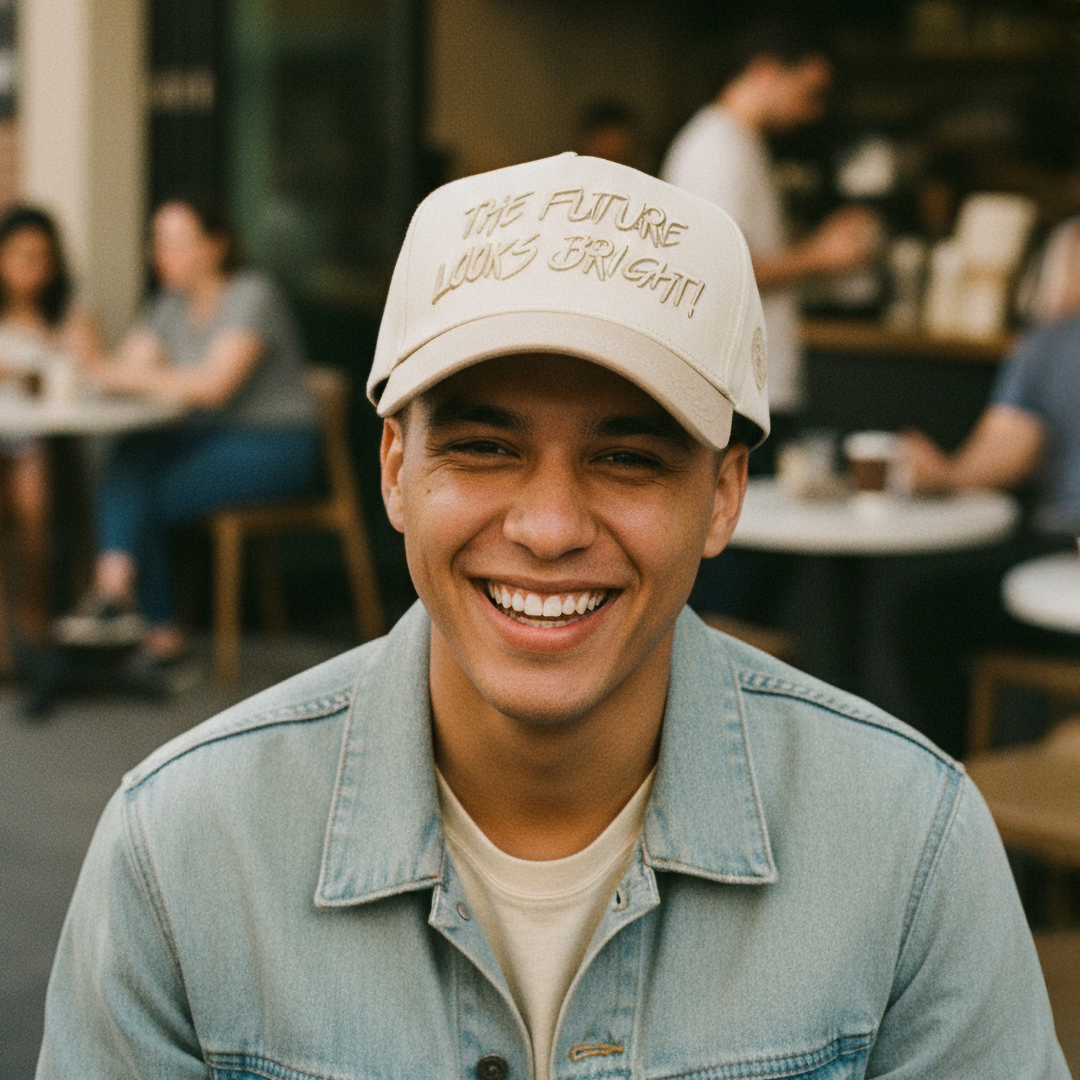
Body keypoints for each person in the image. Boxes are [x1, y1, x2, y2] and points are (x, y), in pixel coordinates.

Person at [36, 155, 1067, 1078]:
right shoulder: (180, 854)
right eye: (484, 446)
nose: (547, 525)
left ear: (722, 495)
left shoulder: (906, 847)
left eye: (627, 458)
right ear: (396, 468)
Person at [55, 194, 322, 667]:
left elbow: (212, 388)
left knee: (142, 492)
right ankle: (118, 595)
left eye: (176, 241)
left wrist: (112, 372)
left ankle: (148, 622)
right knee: (132, 454)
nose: (161, 253)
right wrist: (91, 349)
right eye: (157, 241)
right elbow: (119, 370)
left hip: (278, 445)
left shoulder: (251, 294)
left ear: (216, 245)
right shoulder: (169, 306)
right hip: (212, 442)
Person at [660, 18, 880, 457]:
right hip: (737, 390)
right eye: (809, 91)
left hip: (753, 388)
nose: (812, 110)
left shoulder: (740, 142)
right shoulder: (716, 147)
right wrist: (821, 255)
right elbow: (716, 271)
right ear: (765, 70)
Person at [0, 205, 100, 644]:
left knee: (32, 464)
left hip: (44, 446)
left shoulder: (68, 314)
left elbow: (90, 376)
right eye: (21, 255)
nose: (32, 268)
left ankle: (34, 618)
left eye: (43, 257)